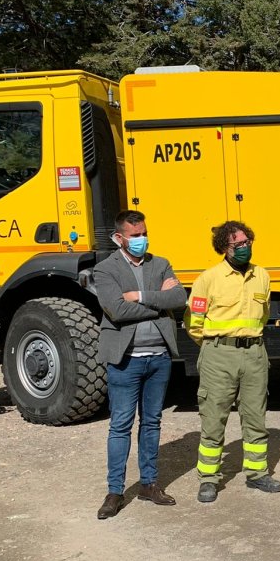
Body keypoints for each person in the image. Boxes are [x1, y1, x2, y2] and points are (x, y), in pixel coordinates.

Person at [92, 210, 187, 520]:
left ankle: (149, 484)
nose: (141, 240)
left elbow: (178, 298)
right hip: (126, 360)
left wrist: (141, 296)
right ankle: (115, 491)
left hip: (159, 358)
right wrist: (157, 305)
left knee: (152, 422)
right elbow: (117, 311)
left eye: (144, 233)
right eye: (134, 236)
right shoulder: (105, 270)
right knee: (120, 425)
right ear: (119, 238)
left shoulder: (159, 264)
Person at [186, 221, 280, 501]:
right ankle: (208, 478)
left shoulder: (262, 276)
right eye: (237, 244)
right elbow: (194, 321)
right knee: (214, 418)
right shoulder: (208, 278)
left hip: (254, 352)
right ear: (223, 248)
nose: (244, 247)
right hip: (219, 353)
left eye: (247, 241)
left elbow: (262, 316)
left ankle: (257, 474)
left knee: (255, 416)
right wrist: (215, 346)